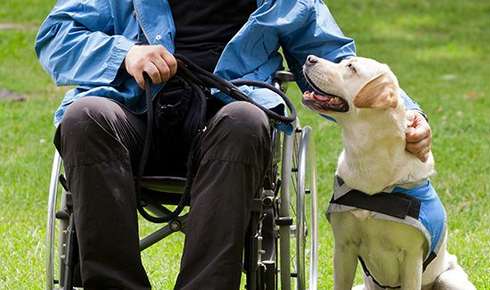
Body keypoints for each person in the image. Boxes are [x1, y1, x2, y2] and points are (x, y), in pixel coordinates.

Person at [35, 0, 432, 289]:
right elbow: (56, 36)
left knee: (246, 119)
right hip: (137, 114)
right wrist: (126, 54)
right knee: (83, 117)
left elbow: (338, 63)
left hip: (227, 124)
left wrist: (408, 118)